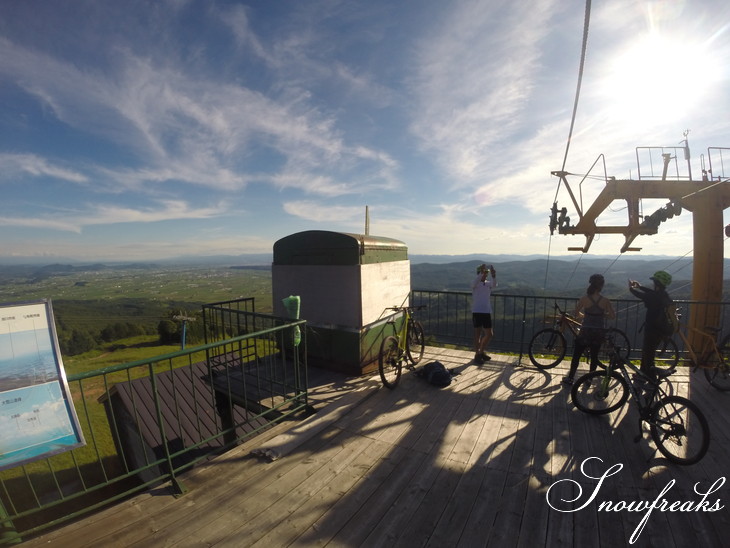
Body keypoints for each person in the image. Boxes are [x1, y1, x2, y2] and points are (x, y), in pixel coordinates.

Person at [562, 274, 615, 385]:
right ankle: (589, 379)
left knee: (576, 355)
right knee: (594, 357)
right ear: (601, 286)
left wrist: (585, 315)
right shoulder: (605, 300)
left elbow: (576, 313)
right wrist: (601, 315)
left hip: (586, 331)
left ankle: (570, 378)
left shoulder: (584, 299)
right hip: (598, 332)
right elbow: (612, 316)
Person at [629, 270, 672, 381]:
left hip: (652, 329)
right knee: (648, 352)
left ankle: (651, 378)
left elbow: (642, 296)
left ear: (657, 283)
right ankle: (642, 374)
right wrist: (640, 286)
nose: (653, 284)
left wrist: (631, 288)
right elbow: (650, 293)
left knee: (648, 354)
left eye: (654, 282)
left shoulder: (655, 296)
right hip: (660, 329)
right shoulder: (663, 295)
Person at [471, 263, 497, 363]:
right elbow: (474, 283)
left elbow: (494, 284)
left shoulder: (488, 283)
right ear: (479, 273)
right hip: (477, 311)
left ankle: (481, 352)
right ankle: (477, 354)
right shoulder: (475, 283)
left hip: (486, 311)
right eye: (484, 272)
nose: (486, 274)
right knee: (477, 334)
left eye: (486, 272)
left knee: (489, 334)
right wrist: (481, 274)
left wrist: (494, 276)